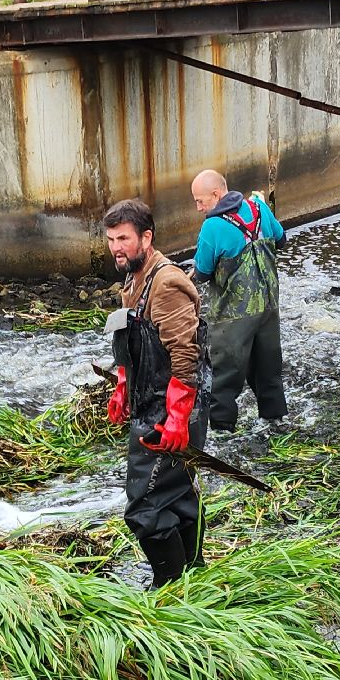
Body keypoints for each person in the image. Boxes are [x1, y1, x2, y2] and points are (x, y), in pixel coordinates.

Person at [102, 198, 212, 589]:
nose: (116, 246)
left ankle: (168, 584)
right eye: (112, 239)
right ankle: (193, 576)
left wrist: (178, 416)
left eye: (124, 238)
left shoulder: (167, 284)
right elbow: (132, 341)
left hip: (170, 410)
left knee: (144, 506)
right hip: (149, 399)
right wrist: (122, 385)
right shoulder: (133, 278)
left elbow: (186, 352)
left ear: (146, 237)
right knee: (178, 493)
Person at [189, 169, 287, 432]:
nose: (199, 208)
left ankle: (223, 430)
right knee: (268, 369)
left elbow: (202, 272)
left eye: (200, 201)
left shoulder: (212, 226)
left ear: (216, 194)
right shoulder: (259, 208)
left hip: (234, 316)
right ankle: (275, 422)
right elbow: (282, 239)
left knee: (224, 375)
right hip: (268, 308)